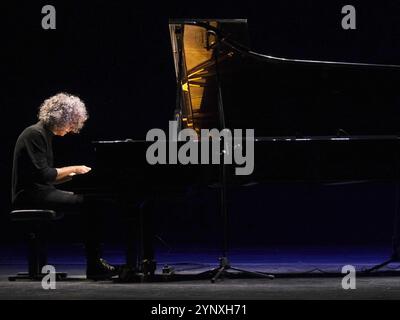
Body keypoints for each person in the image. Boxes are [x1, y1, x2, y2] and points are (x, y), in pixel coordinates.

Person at [11, 92, 117, 280]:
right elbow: (45, 175)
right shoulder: (34, 134)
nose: (71, 129)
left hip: (41, 190)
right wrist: (74, 168)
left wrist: (74, 176)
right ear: (61, 118)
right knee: (90, 203)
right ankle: (94, 265)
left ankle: (94, 261)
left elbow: (47, 178)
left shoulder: (43, 134)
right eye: (70, 124)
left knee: (91, 200)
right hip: (29, 195)